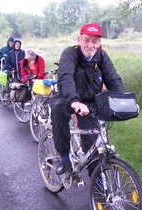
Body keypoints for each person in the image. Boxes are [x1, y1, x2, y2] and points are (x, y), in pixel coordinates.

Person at [49, 23, 128, 175]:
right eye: (86, 40)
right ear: (79, 40)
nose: (90, 45)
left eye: (94, 41)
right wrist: (74, 101)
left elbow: (113, 79)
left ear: (99, 43)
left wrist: (125, 101)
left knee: (92, 139)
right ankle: (64, 158)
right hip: (68, 98)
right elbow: (65, 78)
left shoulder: (101, 56)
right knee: (58, 109)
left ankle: (96, 173)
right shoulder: (70, 54)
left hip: (91, 101)